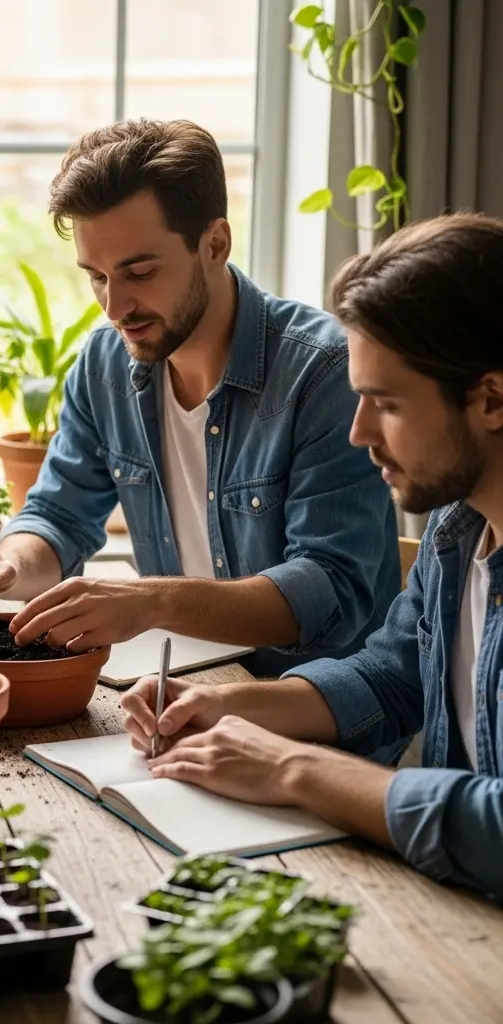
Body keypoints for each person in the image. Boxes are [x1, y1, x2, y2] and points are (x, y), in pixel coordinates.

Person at [120, 212, 503, 900]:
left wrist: (294, 769)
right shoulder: (458, 528)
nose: (359, 433)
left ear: (492, 397)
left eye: (384, 404)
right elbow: (392, 677)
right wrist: (229, 706)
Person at [0, 118, 399, 678]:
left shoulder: (323, 372)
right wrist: (7, 563)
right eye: (97, 276)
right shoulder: (105, 366)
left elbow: (331, 591)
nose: (114, 306)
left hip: (310, 717)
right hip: (180, 692)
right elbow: (58, 516)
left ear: (215, 243)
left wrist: (152, 602)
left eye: (140, 271)